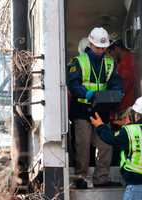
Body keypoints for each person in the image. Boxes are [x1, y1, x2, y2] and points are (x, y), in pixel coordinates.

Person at [67, 27, 123, 189]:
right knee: (82, 145)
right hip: (82, 111)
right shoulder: (78, 62)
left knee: (106, 144)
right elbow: (74, 84)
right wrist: (86, 94)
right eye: (98, 47)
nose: (100, 50)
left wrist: (116, 94)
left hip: (101, 111)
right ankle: (81, 178)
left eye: (103, 48)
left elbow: (115, 83)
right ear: (91, 44)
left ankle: (101, 179)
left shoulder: (110, 63)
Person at [90, 97, 142, 200]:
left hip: (136, 183)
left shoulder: (130, 131)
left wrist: (100, 126)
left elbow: (112, 140)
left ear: (136, 115)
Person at [108, 39, 137, 126]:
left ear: (116, 48)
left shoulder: (126, 63)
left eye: (110, 52)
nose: (110, 55)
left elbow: (123, 87)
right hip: (125, 106)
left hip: (126, 106)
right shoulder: (125, 61)